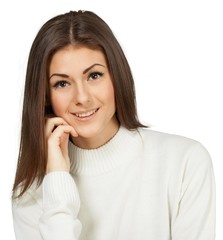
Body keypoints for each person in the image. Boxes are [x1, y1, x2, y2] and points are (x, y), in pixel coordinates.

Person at [12, 10, 215, 240]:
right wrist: (57, 182)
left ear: (116, 76)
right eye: (61, 83)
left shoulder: (184, 163)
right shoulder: (31, 194)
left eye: (94, 76)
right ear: (45, 96)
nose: (82, 97)